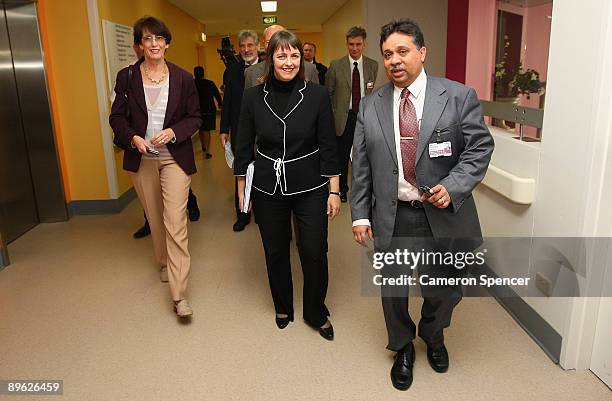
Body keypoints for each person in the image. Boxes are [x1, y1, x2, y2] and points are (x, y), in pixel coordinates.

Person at [350, 19, 494, 390]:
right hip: (393, 215)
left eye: (402, 51)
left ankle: (433, 335)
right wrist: (360, 215)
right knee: (394, 290)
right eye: (387, 54)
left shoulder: (459, 96)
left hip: (442, 215)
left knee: (445, 288)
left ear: (422, 52)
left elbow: (480, 148)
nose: (394, 60)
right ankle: (402, 347)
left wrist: (454, 185)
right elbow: (362, 165)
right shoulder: (370, 106)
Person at [234, 30, 340, 340]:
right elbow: (243, 145)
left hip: (311, 185)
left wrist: (334, 189)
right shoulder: (254, 97)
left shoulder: (317, 95)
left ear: (301, 59)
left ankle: (314, 310)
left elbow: (329, 146)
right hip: (269, 186)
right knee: (276, 249)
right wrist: (243, 186)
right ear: (270, 58)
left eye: (294, 55)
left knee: (314, 249)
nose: (289, 61)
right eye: (282, 55)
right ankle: (283, 305)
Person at [110, 16, 202, 317]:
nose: (154, 44)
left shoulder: (183, 78)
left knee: (175, 219)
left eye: (159, 38)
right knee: (155, 215)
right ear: (139, 45)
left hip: (174, 157)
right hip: (142, 157)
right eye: (147, 39)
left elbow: (195, 117)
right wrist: (133, 136)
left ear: (167, 42)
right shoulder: (126, 77)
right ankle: (163, 261)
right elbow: (117, 118)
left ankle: (179, 294)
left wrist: (175, 131)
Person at [326, 26, 378, 203]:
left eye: (358, 44)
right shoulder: (336, 66)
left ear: (364, 44)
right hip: (344, 118)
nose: (354, 48)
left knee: (363, 155)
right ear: (346, 44)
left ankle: (363, 189)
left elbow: (370, 90)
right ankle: (341, 189)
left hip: (364, 117)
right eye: (351, 44)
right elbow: (328, 94)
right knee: (341, 156)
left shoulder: (373, 65)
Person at [219, 30, 259, 232]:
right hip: (238, 128)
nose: (246, 49)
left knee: (262, 170)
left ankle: (262, 211)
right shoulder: (232, 71)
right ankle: (242, 214)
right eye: (242, 46)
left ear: (258, 46)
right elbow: (227, 102)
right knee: (241, 170)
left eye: (250, 45)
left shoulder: (267, 68)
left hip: (262, 130)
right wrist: (223, 128)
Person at [244, 25, 319, 89]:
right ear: (264, 44)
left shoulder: (310, 69)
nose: (274, 45)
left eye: (280, 40)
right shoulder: (251, 72)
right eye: (269, 42)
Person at [194, 66, 222, 159]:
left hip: (196, 110)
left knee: (201, 129)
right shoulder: (209, 83)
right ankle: (207, 150)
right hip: (209, 109)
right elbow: (217, 94)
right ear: (203, 73)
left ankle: (203, 146)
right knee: (206, 129)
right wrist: (220, 104)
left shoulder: (192, 83)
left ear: (194, 73)